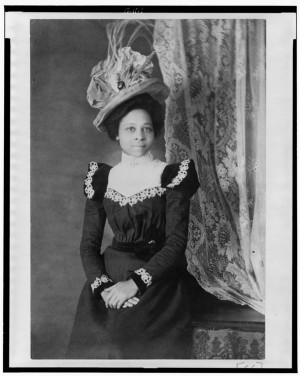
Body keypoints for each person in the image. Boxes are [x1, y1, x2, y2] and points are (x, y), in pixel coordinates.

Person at [66, 25, 200, 359]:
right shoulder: (103, 178)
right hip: (109, 281)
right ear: (116, 133)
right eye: (130, 129)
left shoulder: (171, 175)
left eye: (146, 128)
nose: (139, 136)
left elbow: (175, 244)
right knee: (97, 345)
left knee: (142, 342)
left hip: (157, 280)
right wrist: (105, 286)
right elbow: (88, 245)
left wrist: (134, 284)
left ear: (154, 132)